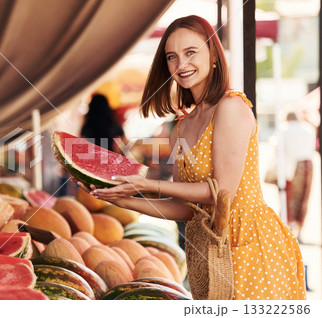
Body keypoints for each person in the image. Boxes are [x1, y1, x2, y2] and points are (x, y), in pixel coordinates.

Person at [78, 15, 306, 300]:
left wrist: (148, 184)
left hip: (251, 244)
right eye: (172, 57)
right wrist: (123, 199)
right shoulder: (182, 126)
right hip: (207, 252)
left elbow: (222, 193)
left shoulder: (231, 107)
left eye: (191, 52)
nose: (181, 64)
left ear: (213, 55)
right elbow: (187, 208)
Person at [281, 112, 316, 240]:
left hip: (292, 165)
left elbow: (280, 150)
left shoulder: (284, 129)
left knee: (290, 196)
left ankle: (289, 226)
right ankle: (300, 228)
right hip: (308, 164)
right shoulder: (308, 128)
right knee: (304, 197)